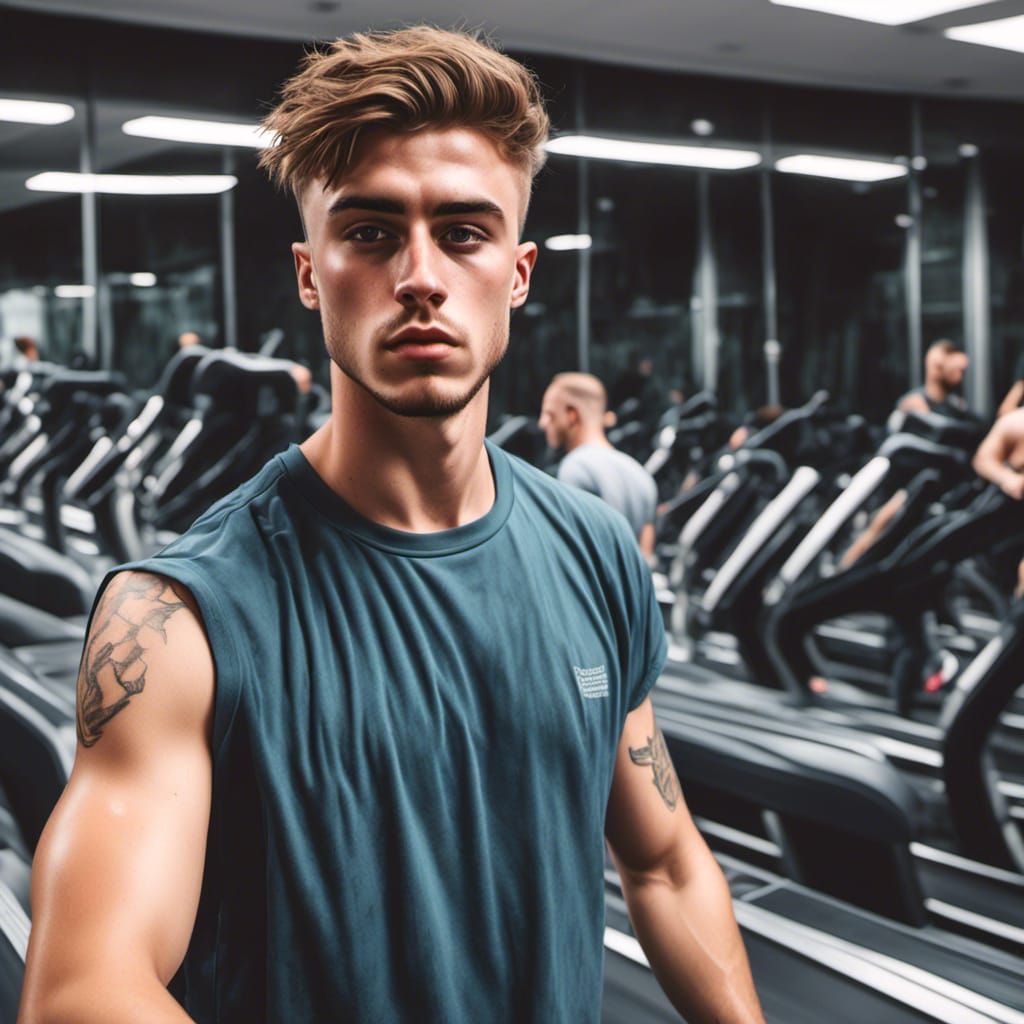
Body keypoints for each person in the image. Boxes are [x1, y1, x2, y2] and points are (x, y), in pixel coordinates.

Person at [18, 27, 763, 1024]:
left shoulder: (591, 552)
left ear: (519, 270)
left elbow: (666, 865)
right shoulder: (178, 619)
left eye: (463, 231)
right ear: (309, 271)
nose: (420, 274)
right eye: (370, 232)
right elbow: (83, 989)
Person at [539, 372, 659, 559]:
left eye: (549, 414)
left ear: (572, 416)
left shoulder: (575, 469)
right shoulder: (640, 474)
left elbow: (572, 558)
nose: (542, 423)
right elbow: (645, 559)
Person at [896, 338, 970, 419]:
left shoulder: (957, 405)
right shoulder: (913, 404)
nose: (959, 378)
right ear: (936, 368)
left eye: (962, 372)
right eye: (955, 371)